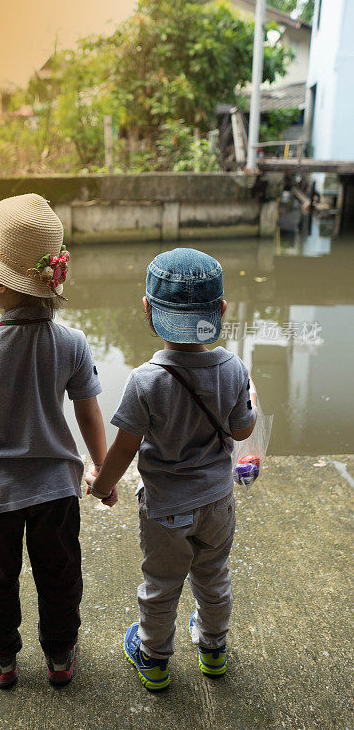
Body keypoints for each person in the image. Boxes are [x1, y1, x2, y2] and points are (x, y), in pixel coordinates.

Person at [0, 193, 112, 689]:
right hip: (58, 490)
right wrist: (102, 471)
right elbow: (88, 412)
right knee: (60, 576)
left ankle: (0, 656)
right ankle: (60, 655)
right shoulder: (72, 343)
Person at [86, 247, 257, 691]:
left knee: (161, 586)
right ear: (220, 310)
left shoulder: (146, 380)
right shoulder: (233, 368)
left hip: (165, 511)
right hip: (218, 503)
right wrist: (247, 394)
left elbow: (123, 451)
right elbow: (242, 432)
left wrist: (100, 485)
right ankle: (214, 652)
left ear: (147, 309)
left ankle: (155, 660)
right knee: (213, 577)